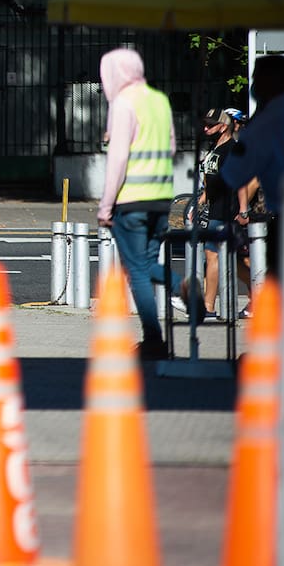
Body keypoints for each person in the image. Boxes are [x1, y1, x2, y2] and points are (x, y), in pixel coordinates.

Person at [96, 48, 182, 360]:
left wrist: (106, 206)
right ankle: (182, 285)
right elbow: (171, 146)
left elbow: (118, 158)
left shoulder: (122, 103)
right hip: (162, 198)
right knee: (146, 264)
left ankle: (154, 339)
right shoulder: (159, 100)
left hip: (131, 201)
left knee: (137, 272)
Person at [220, 54, 284, 276]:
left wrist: (214, 189)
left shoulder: (263, 124)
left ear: (269, 82)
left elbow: (233, 174)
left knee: (281, 280)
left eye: (256, 78)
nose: (253, 84)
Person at [194, 107, 251, 319]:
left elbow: (241, 180)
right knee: (234, 261)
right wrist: (200, 202)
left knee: (213, 255)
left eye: (211, 124)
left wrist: (244, 210)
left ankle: (208, 307)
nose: (206, 127)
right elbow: (211, 179)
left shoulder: (232, 148)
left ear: (223, 125)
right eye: (205, 124)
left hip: (227, 209)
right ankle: (259, 293)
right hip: (214, 207)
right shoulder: (214, 147)